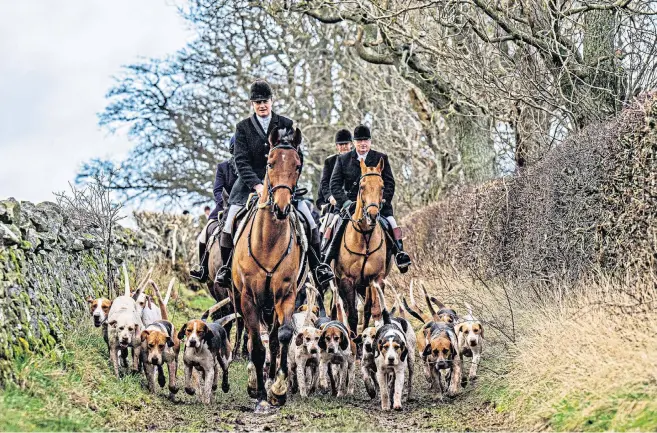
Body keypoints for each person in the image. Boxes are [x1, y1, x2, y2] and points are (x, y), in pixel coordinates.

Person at [215, 80, 334, 288]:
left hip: (283, 185)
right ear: (252, 104)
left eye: (265, 101)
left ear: (272, 101)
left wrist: (288, 182)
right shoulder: (242, 128)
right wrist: (257, 185)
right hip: (249, 188)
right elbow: (240, 161)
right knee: (228, 223)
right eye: (257, 102)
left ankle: (318, 267)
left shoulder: (285, 124)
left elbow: (297, 157)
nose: (262, 105)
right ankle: (226, 268)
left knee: (310, 221)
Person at [324, 124, 411, 273]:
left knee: (392, 223)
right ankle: (325, 261)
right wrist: (345, 202)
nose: (363, 144)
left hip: (377, 204)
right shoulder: (343, 159)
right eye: (359, 141)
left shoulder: (380, 158)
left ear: (370, 142)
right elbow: (334, 184)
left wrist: (382, 201)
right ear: (354, 143)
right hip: (350, 205)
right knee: (334, 225)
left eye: (366, 140)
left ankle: (400, 254)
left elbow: (389, 183)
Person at [190, 136, 239, 281]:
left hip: (245, 205)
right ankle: (203, 269)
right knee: (205, 233)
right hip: (223, 206)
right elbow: (217, 190)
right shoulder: (223, 167)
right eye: (238, 149)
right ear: (232, 150)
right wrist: (224, 204)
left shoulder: (251, 167)